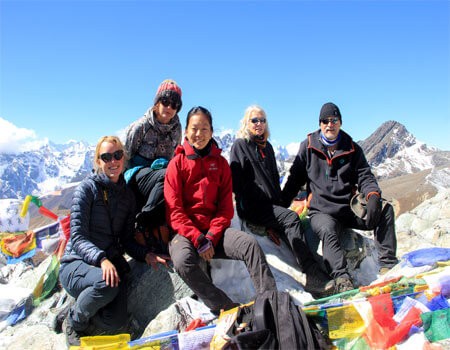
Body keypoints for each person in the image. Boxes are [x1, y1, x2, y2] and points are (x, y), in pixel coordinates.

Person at [164, 106, 277, 314]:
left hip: (214, 233)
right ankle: (226, 307)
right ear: (186, 132)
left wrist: (212, 234)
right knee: (183, 261)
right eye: (194, 128)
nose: (199, 134)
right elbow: (174, 212)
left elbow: (226, 209)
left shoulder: (221, 164)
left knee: (249, 245)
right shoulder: (176, 165)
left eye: (204, 128)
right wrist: (198, 238)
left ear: (212, 131)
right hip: (186, 234)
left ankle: (271, 301)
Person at [59, 136, 169, 346]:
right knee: (106, 284)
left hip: (103, 266)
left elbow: (126, 239)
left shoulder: (127, 196)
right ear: (98, 162)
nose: (113, 161)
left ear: (123, 158)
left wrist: (146, 254)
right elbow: (78, 236)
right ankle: (73, 322)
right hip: (75, 263)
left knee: (115, 320)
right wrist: (102, 259)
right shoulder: (87, 189)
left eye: (117, 155)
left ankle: (82, 305)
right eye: (106, 157)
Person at [281, 102, 398, 293]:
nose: (329, 125)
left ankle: (388, 265)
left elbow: (365, 176)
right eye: (325, 121)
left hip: (348, 209)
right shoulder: (308, 147)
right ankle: (342, 278)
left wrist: (373, 195)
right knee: (327, 230)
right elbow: (294, 180)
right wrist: (280, 206)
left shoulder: (351, 148)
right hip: (322, 211)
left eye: (334, 120)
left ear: (340, 123)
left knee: (385, 210)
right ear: (320, 124)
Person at [230, 105, 334, 298]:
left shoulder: (267, 148)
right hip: (253, 206)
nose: (259, 124)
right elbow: (238, 183)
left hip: (270, 207)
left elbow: (273, 182)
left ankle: (319, 268)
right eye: (254, 120)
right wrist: (267, 213)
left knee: (292, 220)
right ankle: (312, 276)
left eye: (262, 120)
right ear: (246, 123)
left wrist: (277, 211)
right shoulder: (240, 145)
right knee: (291, 220)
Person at [124, 79, 183, 252]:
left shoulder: (177, 128)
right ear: (157, 102)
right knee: (168, 175)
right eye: (165, 101)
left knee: (175, 176)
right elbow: (126, 156)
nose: (169, 107)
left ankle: (159, 228)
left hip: (159, 175)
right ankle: (142, 222)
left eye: (174, 104)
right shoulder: (141, 126)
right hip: (137, 175)